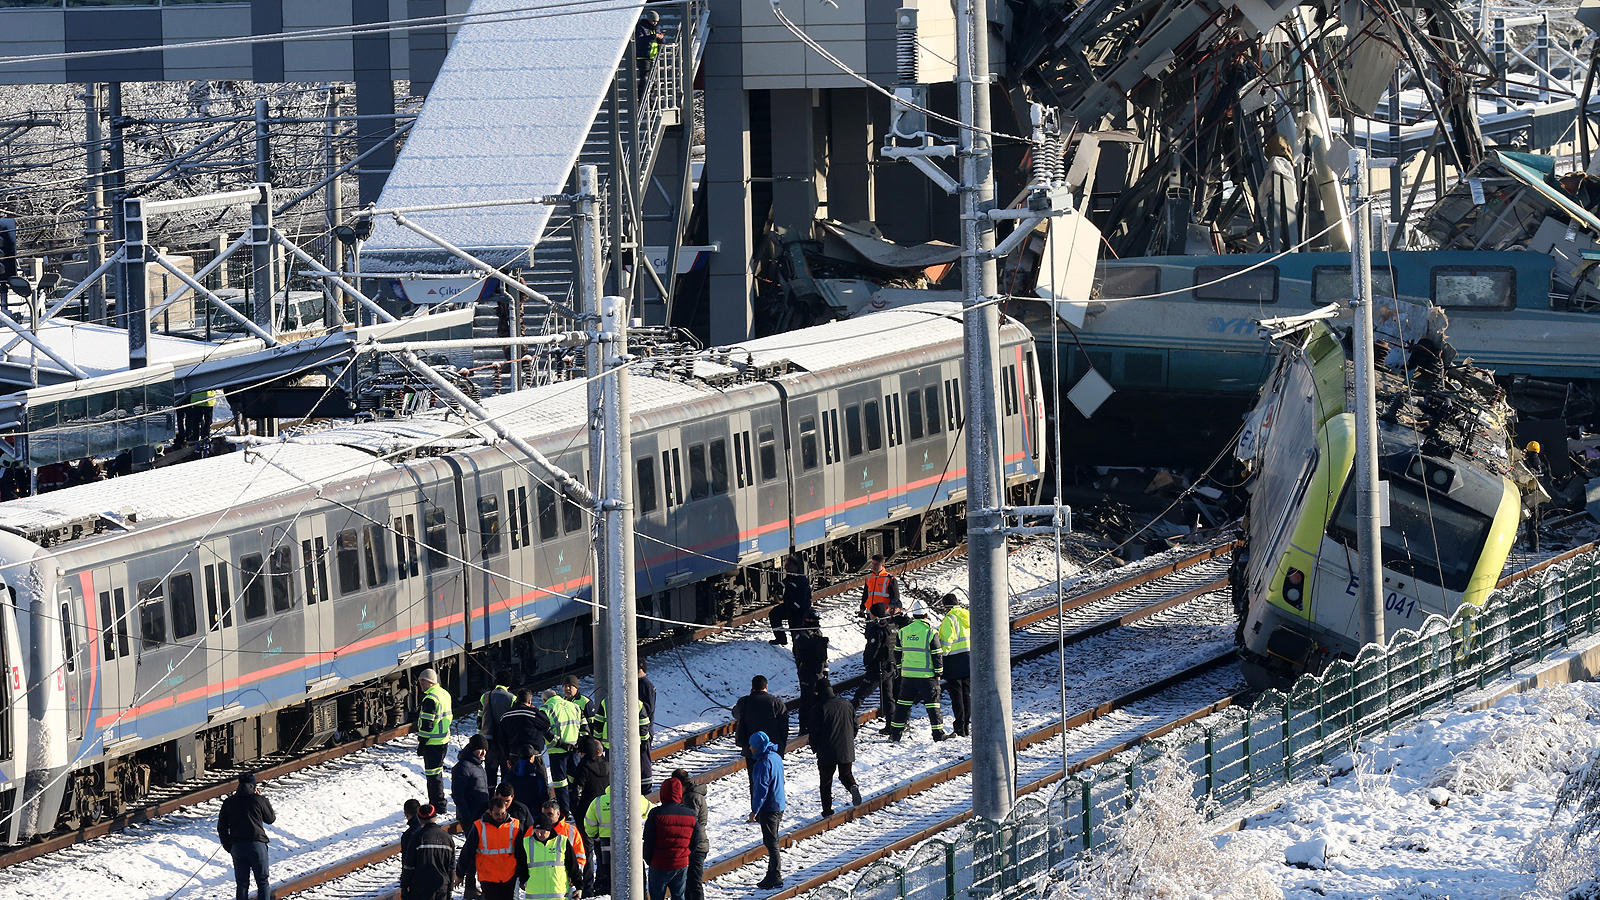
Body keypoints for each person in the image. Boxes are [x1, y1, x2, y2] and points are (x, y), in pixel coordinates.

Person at [886, 598, 946, 742]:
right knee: (933, 706)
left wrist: (901, 669)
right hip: (927, 676)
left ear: (913, 616)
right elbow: (937, 654)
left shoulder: (903, 631)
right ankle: (938, 735)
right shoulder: (931, 632)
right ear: (926, 615)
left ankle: (895, 734)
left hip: (908, 676)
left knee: (902, 705)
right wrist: (938, 673)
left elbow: (897, 652)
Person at [584, 784, 655, 895]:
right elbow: (650, 811)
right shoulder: (635, 797)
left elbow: (589, 825)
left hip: (607, 846)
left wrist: (595, 835)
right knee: (636, 876)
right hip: (631, 844)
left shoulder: (597, 802)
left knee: (611, 878)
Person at [217, 773, 276, 900]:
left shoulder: (229, 802)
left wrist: (229, 847)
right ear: (254, 786)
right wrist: (263, 799)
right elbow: (270, 819)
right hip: (257, 845)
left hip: (237, 847)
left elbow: (221, 827)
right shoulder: (259, 800)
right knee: (262, 881)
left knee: (242, 884)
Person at [644, 776, 703, 900]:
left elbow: (648, 840)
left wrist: (649, 860)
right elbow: (695, 840)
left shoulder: (656, 814)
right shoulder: (691, 814)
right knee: (679, 896)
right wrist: (685, 855)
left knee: (656, 896)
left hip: (659, 863)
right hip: (681, 863)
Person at [810, 679, 862, 817]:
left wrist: (815, 748)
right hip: (846, 748)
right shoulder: (847, 704)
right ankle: (852, 787)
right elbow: (855, 726)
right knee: (845, 775)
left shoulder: (818, 708)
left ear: (819, 692)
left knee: (826, 782)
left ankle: (827, 811)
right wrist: (849, 741)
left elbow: (814, 733)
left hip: (826, 751)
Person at [517, 800, 587, 900]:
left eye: (549, 814)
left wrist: (576, 881)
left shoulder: (570, 832)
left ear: (558, 814)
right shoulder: (531, 832)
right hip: (536, 890)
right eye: (544, 814)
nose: (546, 817)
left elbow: (578, 858)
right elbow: (523, 859)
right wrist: (524, 880)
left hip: (561, 887)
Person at [459, 795, 524, 900]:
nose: (500, 817)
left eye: (503, 813)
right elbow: (468, 851)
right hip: (487, 877)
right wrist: (460, 873)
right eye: (497, 814)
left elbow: (521, 852)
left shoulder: (514, 825)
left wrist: (523, 875)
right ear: (490, 812)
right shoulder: (479, 827)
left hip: (508, 876)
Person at [746, 731, 787, 889]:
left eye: (752, 745)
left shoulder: (762, 763)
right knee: (772, 840)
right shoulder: (776, 757)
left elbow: (761, 789)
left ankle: (775, 875)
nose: (750, 747)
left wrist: (754, 810)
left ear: (757, 746)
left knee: (771, 842)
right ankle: (772, 874)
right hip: (779, 803)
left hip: (769, 807)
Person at [595, 694, 653, 794]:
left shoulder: (606, 702)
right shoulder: (636, 702)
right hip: (631, 747)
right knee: (630, 775)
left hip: (611, 747)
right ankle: (629, 794)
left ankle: (616, 794)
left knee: (614, 776)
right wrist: (643, 741)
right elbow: (644, 724)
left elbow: (598, 724)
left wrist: (597, 740)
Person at [852, 602, 899, 721]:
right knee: (888, 698)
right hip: (890, 667)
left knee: (860, 695)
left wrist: (867, 662)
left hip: (878, 668)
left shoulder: (878, 629)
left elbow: (872, 650)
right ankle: (891, 725)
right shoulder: (892, 626)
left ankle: (845, 718)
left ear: (874, 615)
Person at [733, 675, 790, 773]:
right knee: (771, 780)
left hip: (751, 749)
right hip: (772, 750)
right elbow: (784, 728)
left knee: (755, 781)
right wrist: (781, 747)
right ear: (766, 687)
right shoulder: (777, 702)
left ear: (752, 687)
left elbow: (735, 713)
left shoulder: (745, 702)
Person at [401, 803, 457, 900]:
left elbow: (409, 865)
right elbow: (451, 867)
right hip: (441, 886)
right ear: (435, 817)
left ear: (419, 818)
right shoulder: (447, 838)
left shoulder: (416, 837)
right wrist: (450, 888)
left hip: (420, 888)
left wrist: (404, 886)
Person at [417, 668, 454, 815]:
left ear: (428, 682)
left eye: (421, 682)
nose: (420, 685)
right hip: (443, 739)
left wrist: (422, 742)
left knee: (433, 776)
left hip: (433, 743)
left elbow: (427, 724)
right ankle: (438, 803)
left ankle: (438, 805)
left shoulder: (431, 698)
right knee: (437, 774)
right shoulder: (444, 694)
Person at [544, 686, 584, 817]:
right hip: (575, 751)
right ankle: (577, 807)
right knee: (575, 780)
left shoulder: (546, 709)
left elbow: (546, 731)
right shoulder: (574, 706)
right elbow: (584, 726)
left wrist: (560, 744)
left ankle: (565, 811)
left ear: (545, 700)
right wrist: (579, 744)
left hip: (557, 752)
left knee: (560, 783)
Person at [672, 769, 710, 900]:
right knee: (690, 883)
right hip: (698, 844)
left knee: (693, 883)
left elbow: (690, 823)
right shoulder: (692, 795)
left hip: (696, 845)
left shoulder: (690, 798)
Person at [499, 689, 551, 786]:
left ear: (517, 700)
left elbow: (502, 740)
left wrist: (507, 757)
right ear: (530, 701)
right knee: (540, 783)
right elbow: (546, 724)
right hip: (533, 756)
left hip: (514, 755)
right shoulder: (533, 713)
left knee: (516, 784)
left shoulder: (505, 716)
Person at [938, 592, 972, 737]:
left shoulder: (949, 619)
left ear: (945, 606)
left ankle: (959, 726)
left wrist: (941, 657)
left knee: (956, 696)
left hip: (954, 662)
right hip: (969, 659)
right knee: (966, 693)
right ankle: (966, 725)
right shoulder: (967, 615)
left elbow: (946, 642)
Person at [792, 616, 829, 736]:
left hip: (818, 670)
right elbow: (804, 645)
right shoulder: (801, 633)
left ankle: (816, 724)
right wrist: (820, 640)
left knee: (819, 698)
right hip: (807, 671)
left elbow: (823, 653)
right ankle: (804, 726)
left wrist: (825, 670)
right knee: (807, 699)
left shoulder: (817, 632)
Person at [479, 671, 516, 790]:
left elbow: (480, 718)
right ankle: (504, 794)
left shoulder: (485, 696)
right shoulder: (512, 698)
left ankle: (490, 795)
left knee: (490, 769)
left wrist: (481, 734)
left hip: (488, 739)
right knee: (506, 769)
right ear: (509, 685)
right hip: (505, 740)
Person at [770, 556, 816, 646]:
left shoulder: (802, 580)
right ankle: (781, 638)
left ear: (794, 566)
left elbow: (801, 600)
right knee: (774, 614)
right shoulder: (791, 576)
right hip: (790, 605)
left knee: (795, 629)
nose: (785, 568)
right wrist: (777, 586)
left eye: (787, 566)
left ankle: (798, 649)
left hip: (799, 610)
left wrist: (791, 609)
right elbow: (786, 581)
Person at [573, 736, 611, 835]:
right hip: (606, 808)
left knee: (588, 842)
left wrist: (576, 810)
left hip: (587, 809)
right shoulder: (608, 764)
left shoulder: (582, 767)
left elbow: (577, 790)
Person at [454, 734, 493, 828]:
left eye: (485, 750)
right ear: (473, 749)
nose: (483, 753)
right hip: (471, 815)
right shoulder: (463, 767)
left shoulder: (478, 765)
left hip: (481, 814)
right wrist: (466, 816)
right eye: (480, 749)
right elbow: (458, 794)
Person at [508, 743, 550, 810]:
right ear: (532, 758)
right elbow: (544, 795)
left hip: (515, 812)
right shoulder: (537, 775)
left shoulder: (510, 774)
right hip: (534, 813)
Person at [635, 9, 665, 84]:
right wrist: (654, 36)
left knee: (653, 80)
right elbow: (640, 40)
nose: (655, 23)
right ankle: (641, 95)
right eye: (653, 21)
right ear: (648, 20)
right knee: (645, 79)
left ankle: (650, 95)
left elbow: (662, 42)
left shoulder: (656, 29)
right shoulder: (641, 28)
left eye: (656, 21)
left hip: (653, 56)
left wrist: (661, 38)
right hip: (643, 57)